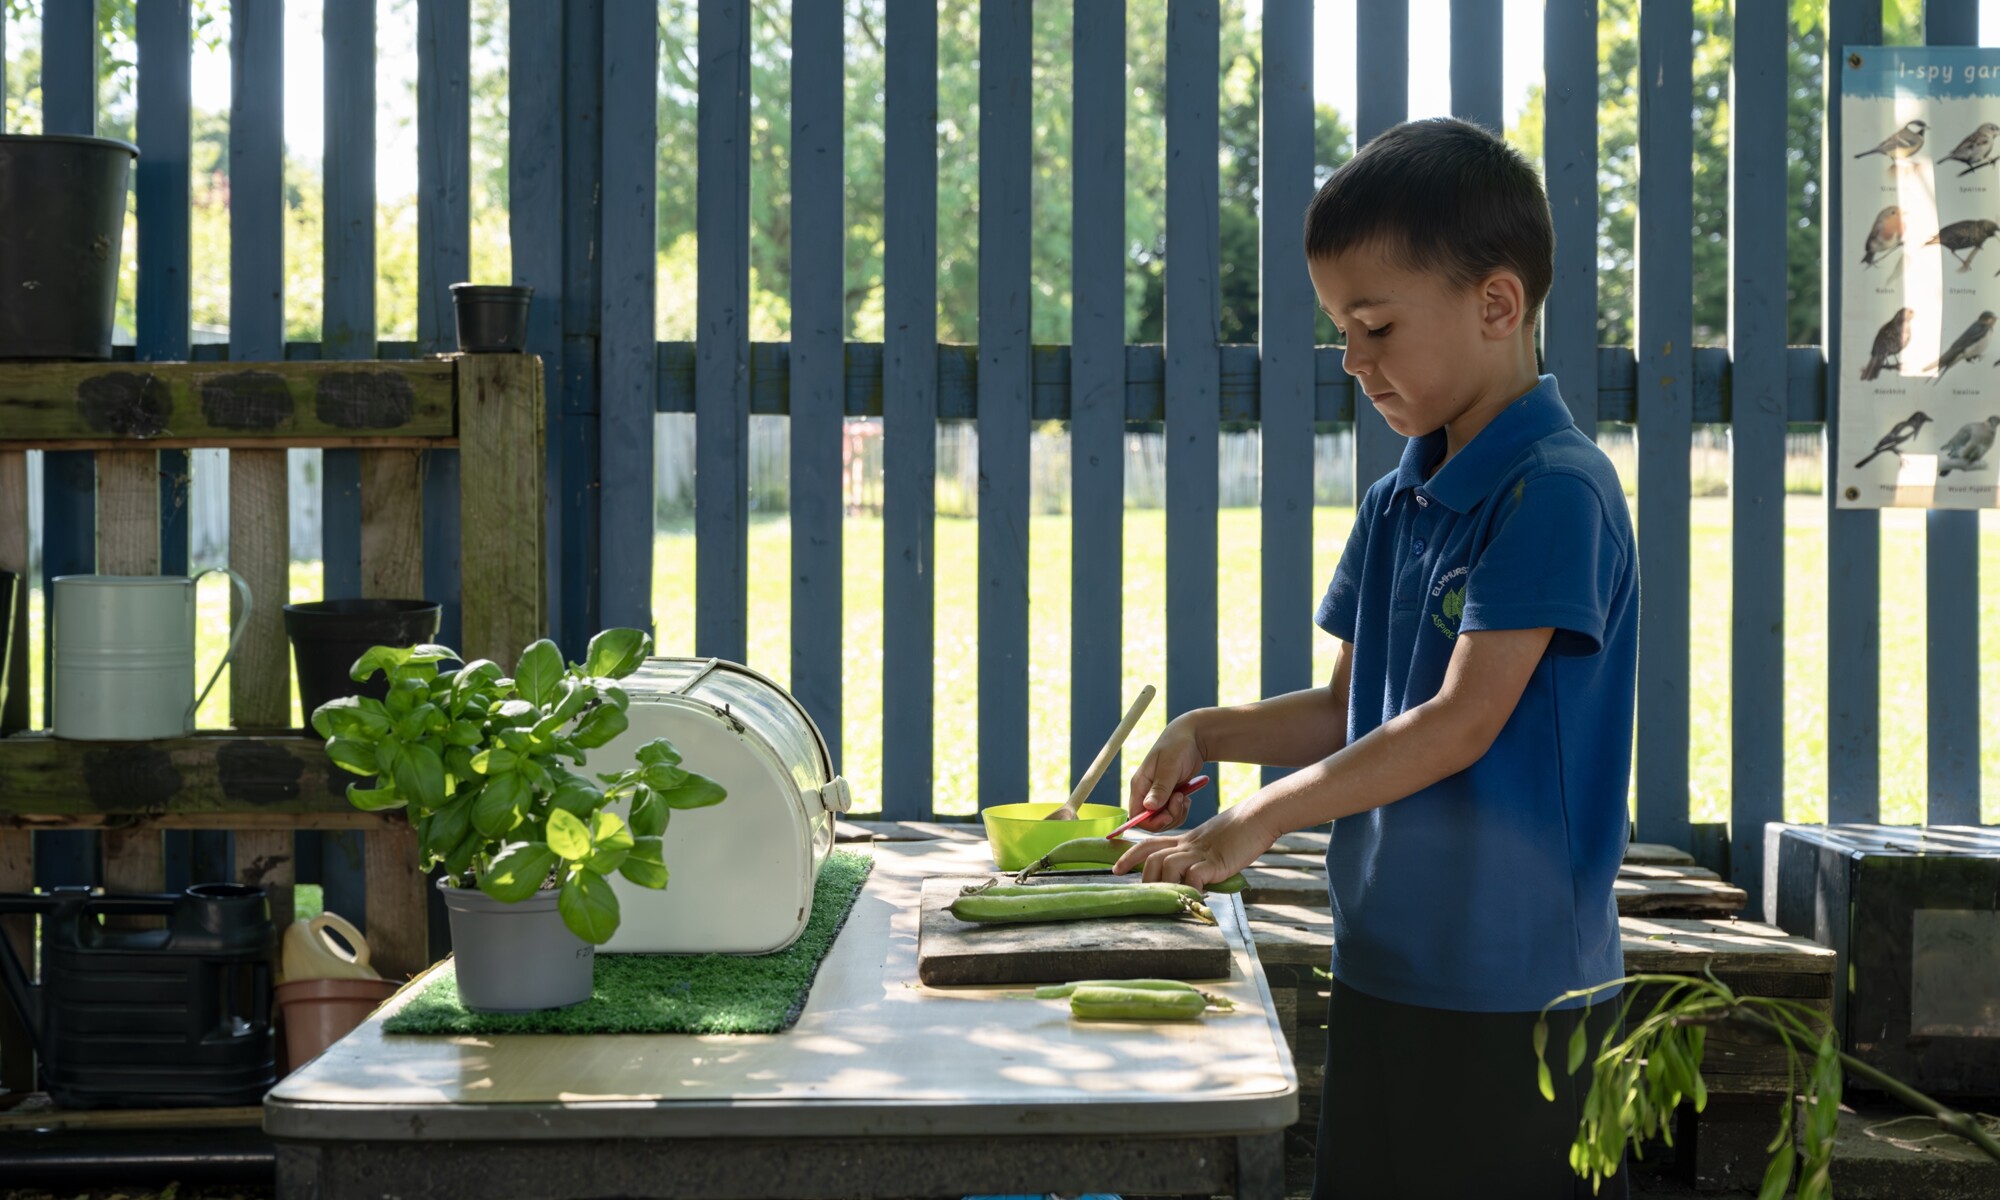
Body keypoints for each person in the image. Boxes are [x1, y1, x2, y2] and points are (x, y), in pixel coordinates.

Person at [1112, 117, 1639, 1200]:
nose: (1351, 361)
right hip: (1385, 961)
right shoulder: (1398, 501)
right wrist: (1205, 733)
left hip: (1516, 993)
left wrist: (1257, 817)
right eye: (1341, 331)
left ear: (1496, 304)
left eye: (1375, 326)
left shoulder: (1553, 490)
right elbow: (1349, 710)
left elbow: (1458, 721)